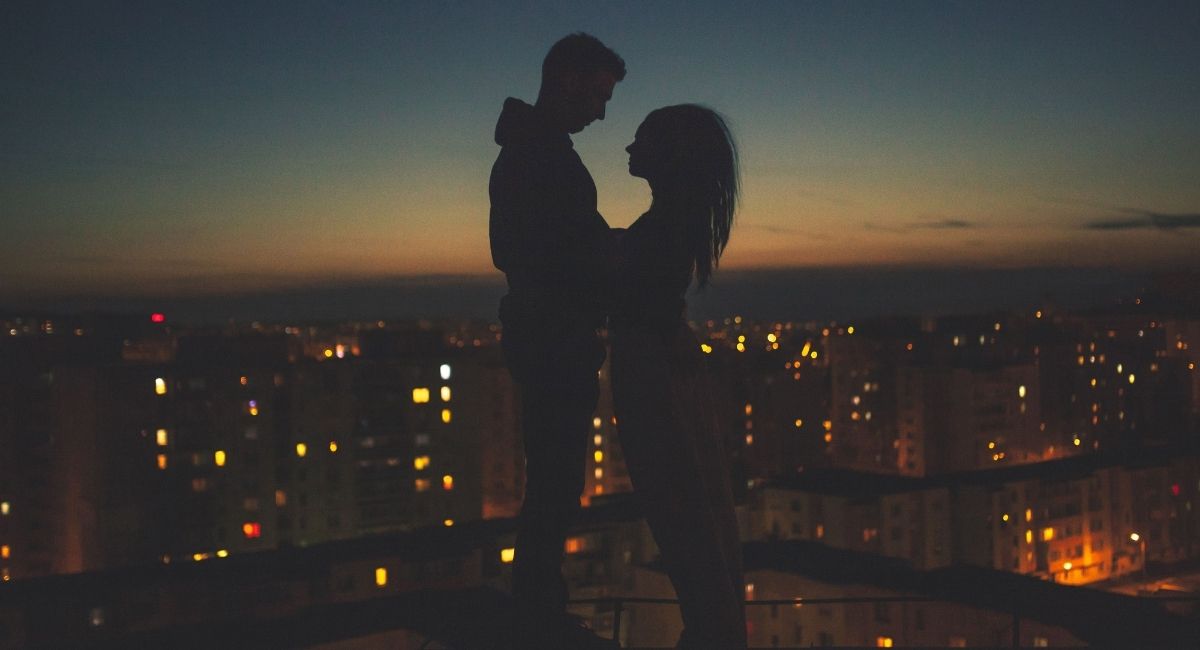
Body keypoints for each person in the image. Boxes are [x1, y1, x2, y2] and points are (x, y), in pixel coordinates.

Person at [488, 33, 625, 648]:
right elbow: (553, 252)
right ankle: (539, 612)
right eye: (598, 94)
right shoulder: (539, 158)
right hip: (555, 344)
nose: (602, 111)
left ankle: (538, 606)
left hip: (547, 339)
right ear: (568, 81)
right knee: (554, 481)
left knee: (552, 480)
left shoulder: (532, 153)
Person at [610, 105, 746, 649]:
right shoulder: (671, 223)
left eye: (640, 139)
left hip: (651, 374)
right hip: (657, 367)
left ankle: (710, 632)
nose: (628, 147)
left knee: (679, 506)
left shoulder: (663, 228)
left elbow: (631, 292)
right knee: (685, 507)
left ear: (668, 154)